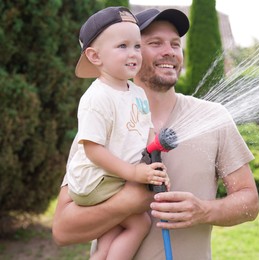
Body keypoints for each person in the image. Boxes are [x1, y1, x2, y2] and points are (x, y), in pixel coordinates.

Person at [52, 8, 259, 259]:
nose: (170, 51)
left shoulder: (213, 117)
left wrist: (204, 211)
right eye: (154, 43)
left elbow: (249, 202)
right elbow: (63, 231)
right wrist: (127, 202)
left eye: (175, 44)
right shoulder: (102, 120)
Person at [66, 6, 169, 260]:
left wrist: (155, 145)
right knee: (139, 224)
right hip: (94, 181)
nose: (133, 53)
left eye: (136, 46)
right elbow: (92, 149)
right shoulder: (97, 97)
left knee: (112, 231)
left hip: (111, 178)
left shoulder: (136, 92)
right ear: (95, 56)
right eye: (122, 46)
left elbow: (146, 129)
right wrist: (134, 172)